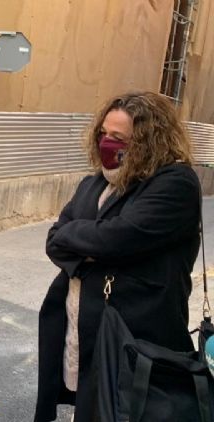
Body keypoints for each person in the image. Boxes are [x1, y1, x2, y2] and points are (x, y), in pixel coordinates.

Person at [34, 92, 201, 422]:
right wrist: (92, 249)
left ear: (149, 141)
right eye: (103, 134)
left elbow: (118, 237)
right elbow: (55, 241)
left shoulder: (175, 183)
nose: (106, 143)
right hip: (81, 335)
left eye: (118, 138)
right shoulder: (94, 183)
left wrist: (84, 240)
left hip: (136, 344)